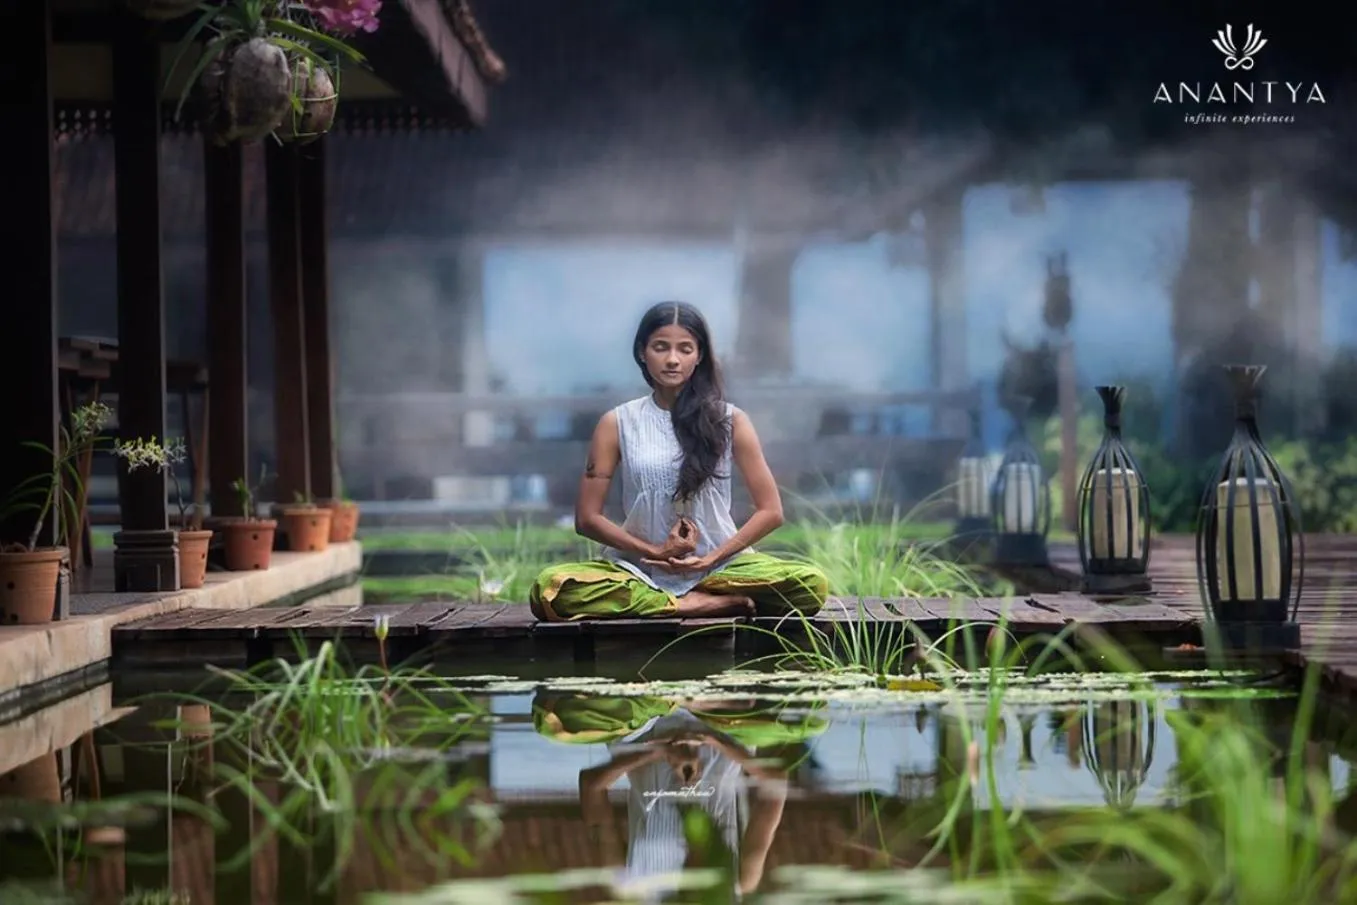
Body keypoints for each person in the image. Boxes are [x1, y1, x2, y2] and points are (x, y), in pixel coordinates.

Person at [529, 301, 829, 621]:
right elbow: (587, 519)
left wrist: (711, 559)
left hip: (722, 570)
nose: (673, 359)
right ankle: (690, 604)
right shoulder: (617, 423)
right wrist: (654, 552)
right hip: (638, 570)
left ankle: (686, 598)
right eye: (661, 347)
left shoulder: (730, 420)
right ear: (642, 352)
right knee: (551, 589)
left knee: (811, 585)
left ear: (699, 356)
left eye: (685, 349)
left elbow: (771, 511)